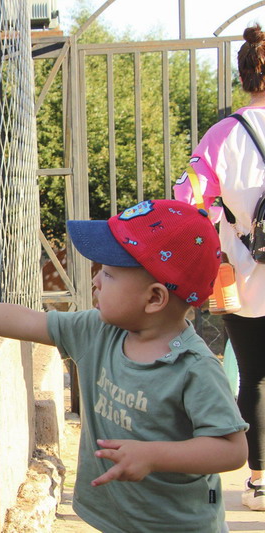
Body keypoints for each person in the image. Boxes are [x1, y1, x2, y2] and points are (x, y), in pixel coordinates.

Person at [0, 199, 248, 533]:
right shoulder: (97, 331)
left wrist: (155, 455)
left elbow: (231, 449)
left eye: (110, 274)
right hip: (114, 518)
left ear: (154, 298)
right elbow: (27, 321)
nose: (96, 280)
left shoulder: (194, 367)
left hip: (178, 526)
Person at [173, 23, 265, 512]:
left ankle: (259, 482)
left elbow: (186, 196)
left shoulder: (223, 135)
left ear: (245, 74)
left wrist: (221, 231)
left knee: (253, 377)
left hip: (245, 275)